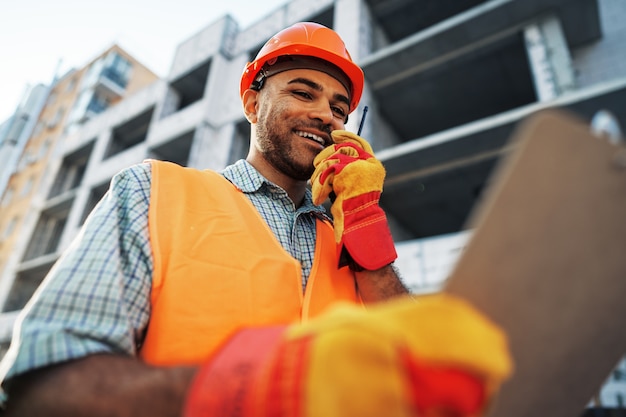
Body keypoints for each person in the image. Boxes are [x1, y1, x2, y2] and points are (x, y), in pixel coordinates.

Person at [0, 22, 512, 417]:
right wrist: (273, 389)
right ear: (251, 102)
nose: (325, 115)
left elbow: (413, 378)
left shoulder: (352, 243)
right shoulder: (154, 191)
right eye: (302, 91)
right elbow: (43, 386)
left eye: (339, 107)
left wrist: (366, 229)